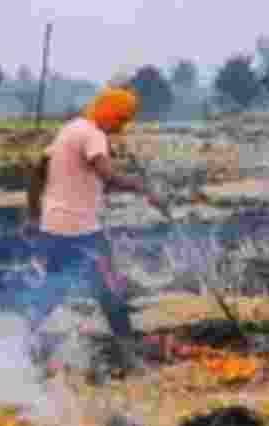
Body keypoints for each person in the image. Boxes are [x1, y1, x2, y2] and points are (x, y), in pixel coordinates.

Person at [22, 83, 170, 367]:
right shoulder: (93, 134)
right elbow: (107, 175)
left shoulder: (71, 128)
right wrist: (146, 190)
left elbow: (40, 170)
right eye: (121, 121)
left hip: (54, 227)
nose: (121, 128)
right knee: (109, 287)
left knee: (55, 288)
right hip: (80, 231)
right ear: (110, 114)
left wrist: (32, 215)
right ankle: (129, 349)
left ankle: (11, 337)